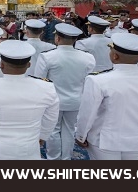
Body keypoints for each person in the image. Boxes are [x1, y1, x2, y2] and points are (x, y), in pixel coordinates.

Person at [75, 33, 138, 160]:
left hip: (104, 140)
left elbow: (87, 113)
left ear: (114, 56)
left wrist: (81, 135)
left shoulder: (98, 80)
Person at [0, 40, 59, 160]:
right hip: (28, 149)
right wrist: (43, 136)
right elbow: (51, 118)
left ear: (1, 64)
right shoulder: (46, 87)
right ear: (29, 65)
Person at [34, 23, 95, 160]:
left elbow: (39, 81)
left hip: (52, 100)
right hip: (76, 100)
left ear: (57, 38)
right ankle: (66, 158)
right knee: (69, 129)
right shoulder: (88, 57)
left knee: (53, 130)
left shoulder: (47, 56)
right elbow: (89, 81)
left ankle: (54, 158)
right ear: (74, 40)